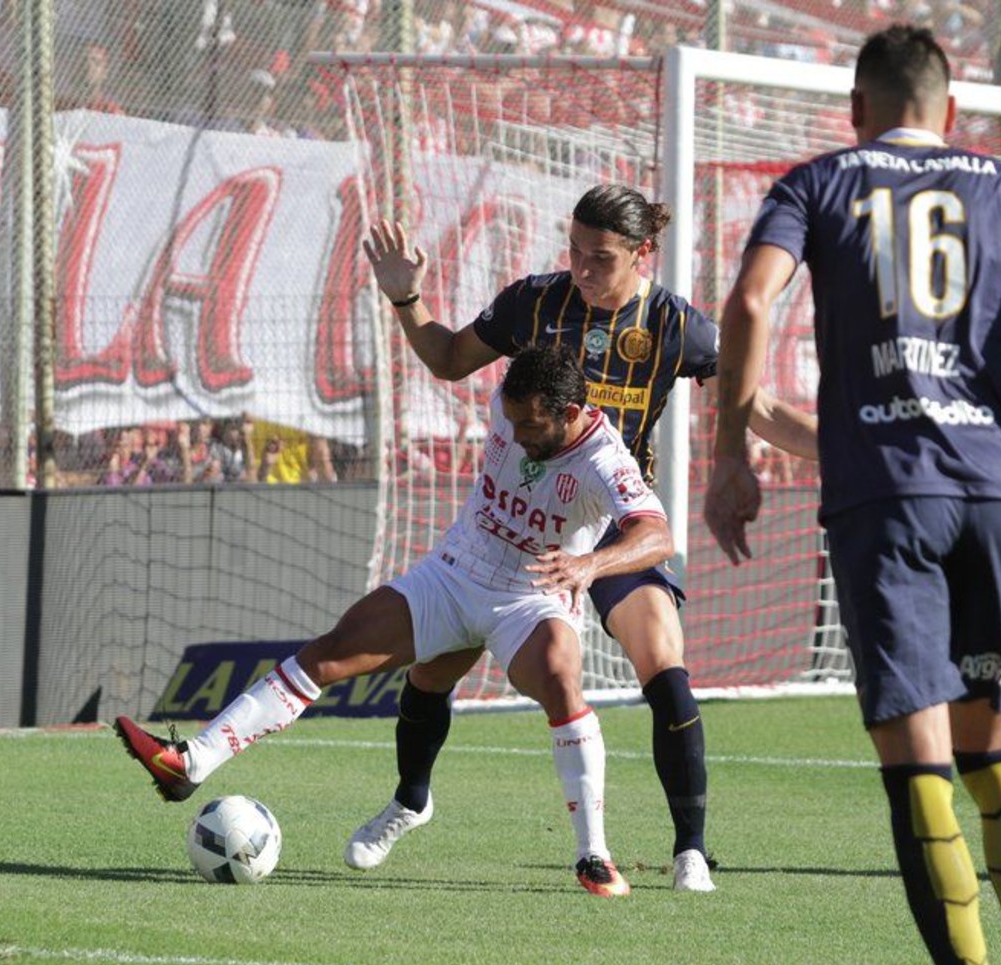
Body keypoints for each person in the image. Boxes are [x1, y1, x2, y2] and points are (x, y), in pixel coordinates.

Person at [704, 25, 1001, 965]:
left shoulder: (814, 182)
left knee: (917, 768)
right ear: (948, 112)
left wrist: (729, 452)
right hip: (992, 496)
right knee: (995, 759)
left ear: (855, 110)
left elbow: (747, 302)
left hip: (882, 497)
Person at [355, 184, 810, 892]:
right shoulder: (533, 303)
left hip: (616, 529)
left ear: (641, 255)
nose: (581, 268)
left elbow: (760, 408)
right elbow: (446, 359)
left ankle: (689, 850)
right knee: (434, 668)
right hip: (523, 531)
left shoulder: (672, 325)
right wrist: (405, 300)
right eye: (573, 249)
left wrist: (847, 449)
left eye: (599, 257)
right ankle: (410, 800)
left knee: (663, 661)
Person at [117, 344, 673, 897]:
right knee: (332, 653)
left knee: (558, 677)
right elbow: (452, 356)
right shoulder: (509, 401)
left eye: (531, 426)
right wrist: (408, 300)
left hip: (533, 596)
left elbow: (656, 535)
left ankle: (592, 855)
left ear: (571, 415)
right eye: (512, 419)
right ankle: (191, 763)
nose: (518, 436)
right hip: (457, 573)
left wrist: (590, 563)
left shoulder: (604, 459)